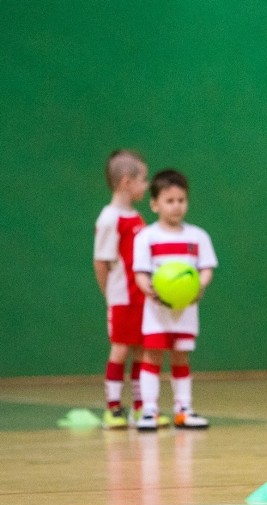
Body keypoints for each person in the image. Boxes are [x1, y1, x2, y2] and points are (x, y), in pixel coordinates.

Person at [133, 169, 217, 431]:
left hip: (186, 310)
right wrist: (150, 290)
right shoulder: (146, 237)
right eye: (169, 201)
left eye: (181, 200)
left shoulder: (198, 236)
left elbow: (206, 269)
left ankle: (183, 409)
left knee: (181, 357)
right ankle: (149, 411)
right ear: (155, 204)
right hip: (157, 311)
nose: (176, 206)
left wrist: (198, 287)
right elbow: (141, 274)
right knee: (152, 356)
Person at [93, 150, 149, 429]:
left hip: (140, 297)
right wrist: (110, 295)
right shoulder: (109, 219)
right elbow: (101, 261)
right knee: (120, 350)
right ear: (127, 182)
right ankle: (112, 408)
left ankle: (141, 408)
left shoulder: (136, 217)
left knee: (141, 350)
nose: (146, 185)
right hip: (122, 297)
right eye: (143, 179)